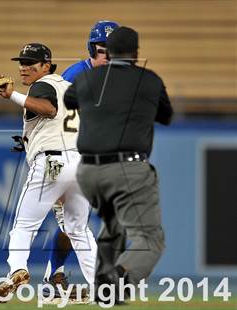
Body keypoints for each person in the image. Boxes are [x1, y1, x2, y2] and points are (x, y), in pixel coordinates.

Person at [63, 26, 173, 303]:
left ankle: (104, 283)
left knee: (113, 226)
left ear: (107, 52)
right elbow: (166, 116)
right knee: (151, 240)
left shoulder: (88, 78)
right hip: (128, 167)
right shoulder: (149, 80)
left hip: (88, 172)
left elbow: (69, 99)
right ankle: (117, 280)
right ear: (136, 54)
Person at [0, 43, 97, 303]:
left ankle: (17, 269)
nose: (24, 68)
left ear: (46, 66)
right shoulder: (70, 89)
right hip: (79, 163)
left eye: (31, 63)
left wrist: (12, 95)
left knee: (24, 225)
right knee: (78, 229)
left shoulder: (43, 85)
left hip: (52, 163)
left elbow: (49, 109)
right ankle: (103, 288)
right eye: (21, 62)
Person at [43, 20, 119, 295]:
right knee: (71, 221)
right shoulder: (74, 75)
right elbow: (51, 115)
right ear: (91, 48)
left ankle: (55, 276)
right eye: (102, 50)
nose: (107, 56)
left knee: (74, 223)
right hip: (64, 155)